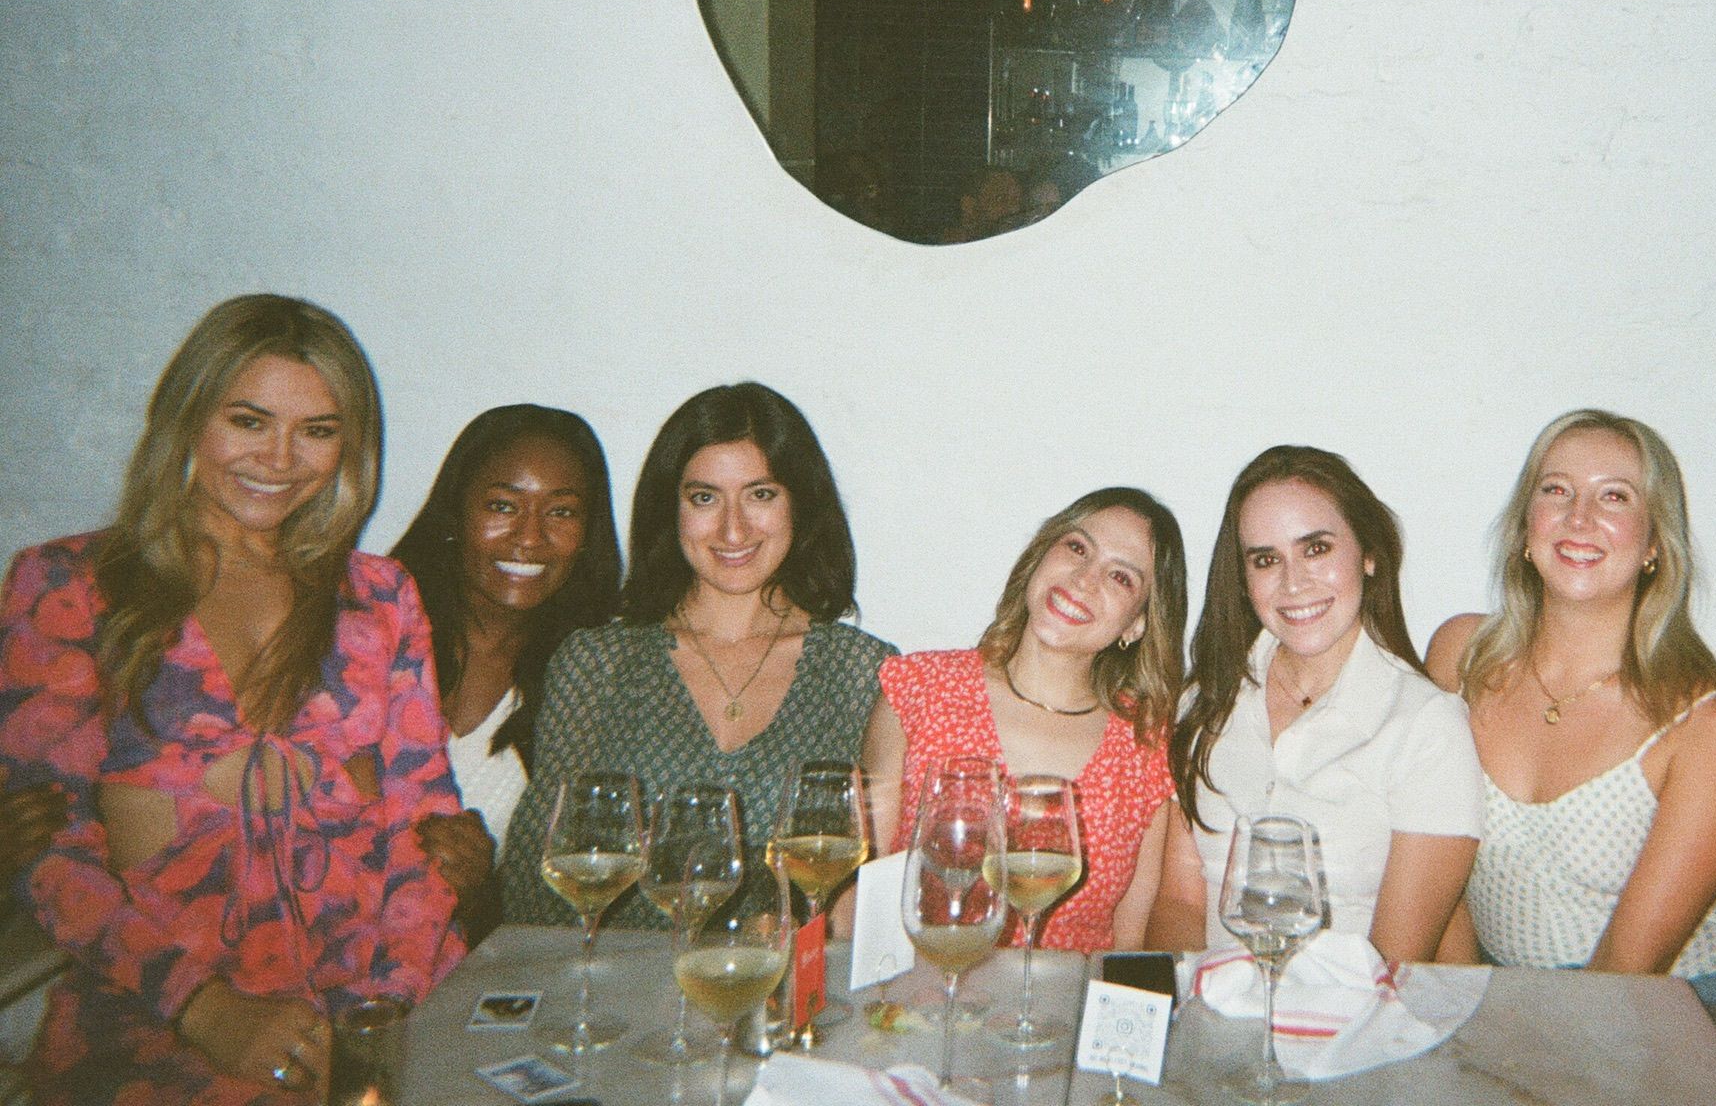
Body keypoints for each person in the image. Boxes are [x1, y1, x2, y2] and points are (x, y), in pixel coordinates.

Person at [0, 293, 475, 1104]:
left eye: (317, 431)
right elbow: (51, 854)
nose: (280, 459)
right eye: (248, 421)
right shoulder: (69, 588)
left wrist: (373, 1028)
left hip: (374, 1022)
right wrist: (209, 1013)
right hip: (153, 1035)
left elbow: (422, 836)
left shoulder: (381, 598)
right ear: (188, 416)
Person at [1426, 409, 1716, 1103]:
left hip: (1700, 1005)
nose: (1579, 517)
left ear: (1655, 541)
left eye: (1615, 496)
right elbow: (1435, 872)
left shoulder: (1708, 722)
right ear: (1524, 529)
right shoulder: (1458, 658)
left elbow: (1630, 967)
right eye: (1556, 490)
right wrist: (1468, 1011)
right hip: (1519, 1000)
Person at [499, 382, 896, 927]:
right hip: (620, 996)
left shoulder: (862, 671)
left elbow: (868, 898)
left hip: (780, 997)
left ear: (801, 503)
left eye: (761, 494)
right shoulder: (599, 660)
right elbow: (532, 879)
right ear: (671, 511)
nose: (733, 529)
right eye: (704, 498)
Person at [1149, 446, 1483, 962]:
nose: (1293, 582)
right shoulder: (1204, 703)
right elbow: (1177, 901)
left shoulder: (1426, 726)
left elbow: (1395, 963)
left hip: (1352, 1026)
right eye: (1266, 560)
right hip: (1216, 1015)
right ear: (1242, 579)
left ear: (1369, 553)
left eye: (1317, 549)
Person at [864, 488, 1188, 950]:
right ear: (1040, 557)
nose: (1083, 579)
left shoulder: (1148, 746)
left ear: (1137, 624)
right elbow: (861, 892)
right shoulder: (917, 689)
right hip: (916, 1004)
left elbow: (1130, 939)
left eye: (1120, 577)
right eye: (1077, 548)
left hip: (1065, 1010)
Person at [386, 404, 623, 931]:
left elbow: (575, 917)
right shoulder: (369, 637)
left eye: (561, 512)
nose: (530, 538)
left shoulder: (596, 682)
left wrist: (481, 893)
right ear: (454, 514)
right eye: (502, 505)